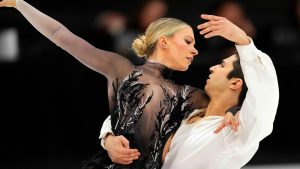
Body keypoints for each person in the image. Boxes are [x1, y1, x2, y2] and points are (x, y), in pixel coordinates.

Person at [0, 1, 240, 169]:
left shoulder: (187, 95)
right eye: (188, 41)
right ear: (164, 42)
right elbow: (59, 34)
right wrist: (21, 4)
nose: (195, 50)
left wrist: (230, 116)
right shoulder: (121, 69)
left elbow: (223, 109)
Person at [161, 14, 279, 169]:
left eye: (222, 66)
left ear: (235, 83)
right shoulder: (189, 117)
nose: (212, 68)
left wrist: (243, 41)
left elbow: (265, 95)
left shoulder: (236, 131)